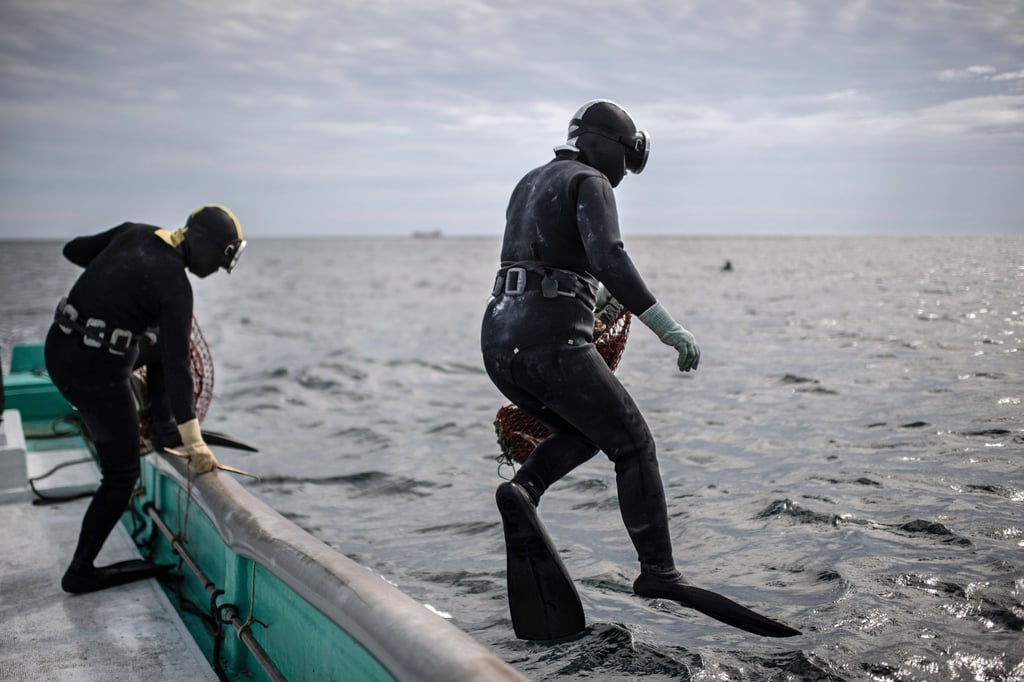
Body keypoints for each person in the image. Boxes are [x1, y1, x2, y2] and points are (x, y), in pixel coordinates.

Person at [481, 100, 798, 638]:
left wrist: (591, 296)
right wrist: (666, 327)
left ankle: (525, 489)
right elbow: (609, 254)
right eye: (627, 159)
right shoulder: (590, 181)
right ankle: (659, 572)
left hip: (498, 339)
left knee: (586, 431)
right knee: (633, 444)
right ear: (605, 145)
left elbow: (546, 254)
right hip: (552, 340)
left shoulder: (531, 180)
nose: (625, 173)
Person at [46, 204, 246, 594]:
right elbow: (179, 367)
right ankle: (81, 570)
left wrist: (116, 275)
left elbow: (73, 250)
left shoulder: (135, 232)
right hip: (94, 376)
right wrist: (195, 442)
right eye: (219, 262)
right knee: (122, 474)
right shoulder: (176, 287)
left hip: (58, 350)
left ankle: (164, 430)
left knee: (154, 344)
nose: (218, 271)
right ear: (203, 244)